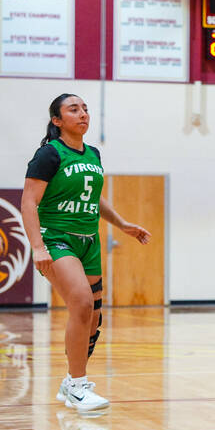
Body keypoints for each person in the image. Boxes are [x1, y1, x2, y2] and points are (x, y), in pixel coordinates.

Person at [21, 94, 151, 413]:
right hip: (57, 238)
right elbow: (28, 202)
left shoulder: (93, 154)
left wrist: (122, 224)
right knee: (80, 302)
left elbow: (94, 198)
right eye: (73, 109)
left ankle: (70, 382)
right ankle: (79, 386)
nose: (83, 114)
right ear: (57, 120)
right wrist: (37, 246)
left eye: (85, 109)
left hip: (89, 241)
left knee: (92, 318)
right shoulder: (49, 155)